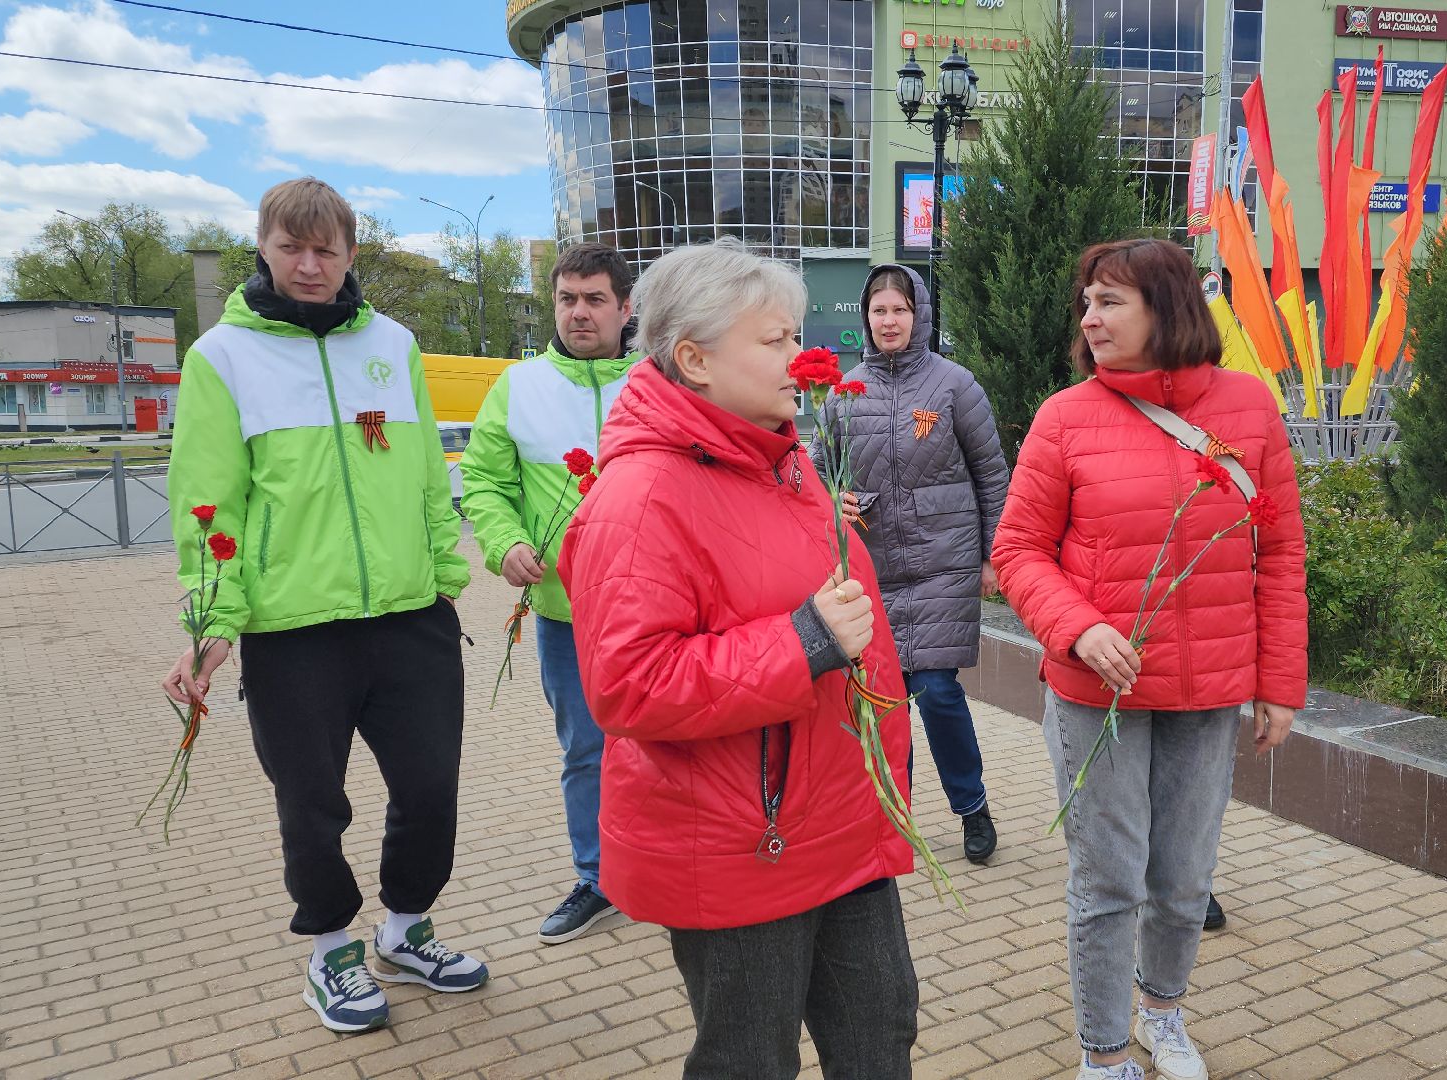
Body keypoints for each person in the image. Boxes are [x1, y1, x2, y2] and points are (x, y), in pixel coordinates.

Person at [561, 239, 919, 1079]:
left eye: (796, 335)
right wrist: (805, 641)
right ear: (695, 359)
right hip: (741, 839)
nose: (802, 356)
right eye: (776, 340)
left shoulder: (783, 461)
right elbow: (629, 686)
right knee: (750, 1060)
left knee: (880, 1037)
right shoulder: (641, 495)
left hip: (841, 820)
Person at [161, 177, 487, 1035]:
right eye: (290, 247)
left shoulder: (393, 342)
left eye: (326, 248)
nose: (309, 265)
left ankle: (406, 930)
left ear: (350, 254)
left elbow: (426, 475)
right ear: (262, 247)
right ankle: (331, 953)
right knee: (312, 805)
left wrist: (445, 576)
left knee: (431, 789)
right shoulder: (221, 359)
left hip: (410, 618)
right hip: (294, 632)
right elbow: (208, 509)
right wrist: (211, 626)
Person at [991, 238, 1307, 1080]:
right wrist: (1078, 626)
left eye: (1109, 302)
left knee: (1183, 881)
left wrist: (1280, 684)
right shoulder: (1066, 417)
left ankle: (1162, 1012)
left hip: (1208, 696)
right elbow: (1017, 549)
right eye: (1086, 303)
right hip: (1100, 698)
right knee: (1108, 883)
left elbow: (1278, 554)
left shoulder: (1247, 408)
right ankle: (1102, 1054)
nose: (1090, 319)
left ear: (1166, 309)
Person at [460, 242, 641, 945]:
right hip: (566, 613)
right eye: (567, 298)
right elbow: (483, 481)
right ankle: (598, 879)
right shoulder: (518, 386)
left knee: (668, 741)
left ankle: (664, 863)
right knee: (585, 750)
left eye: (595, 299)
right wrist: (503, 542)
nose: (579, 312)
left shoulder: (663, 381)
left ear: (626, 308)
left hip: (656, 609)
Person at [810, 264, 1009, 864]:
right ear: (866, 320)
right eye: (879, 311)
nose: (889, 320)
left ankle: (971, 807)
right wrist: (830, 499)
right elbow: (816, 470)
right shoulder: (846, 392)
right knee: (882, 696)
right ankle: (896, 812)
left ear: (918, 313)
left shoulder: (954, 385)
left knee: (935, 689)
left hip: (944, 560)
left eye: (900, 309)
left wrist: (992, 556)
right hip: (871, 569)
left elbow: (992, 475)